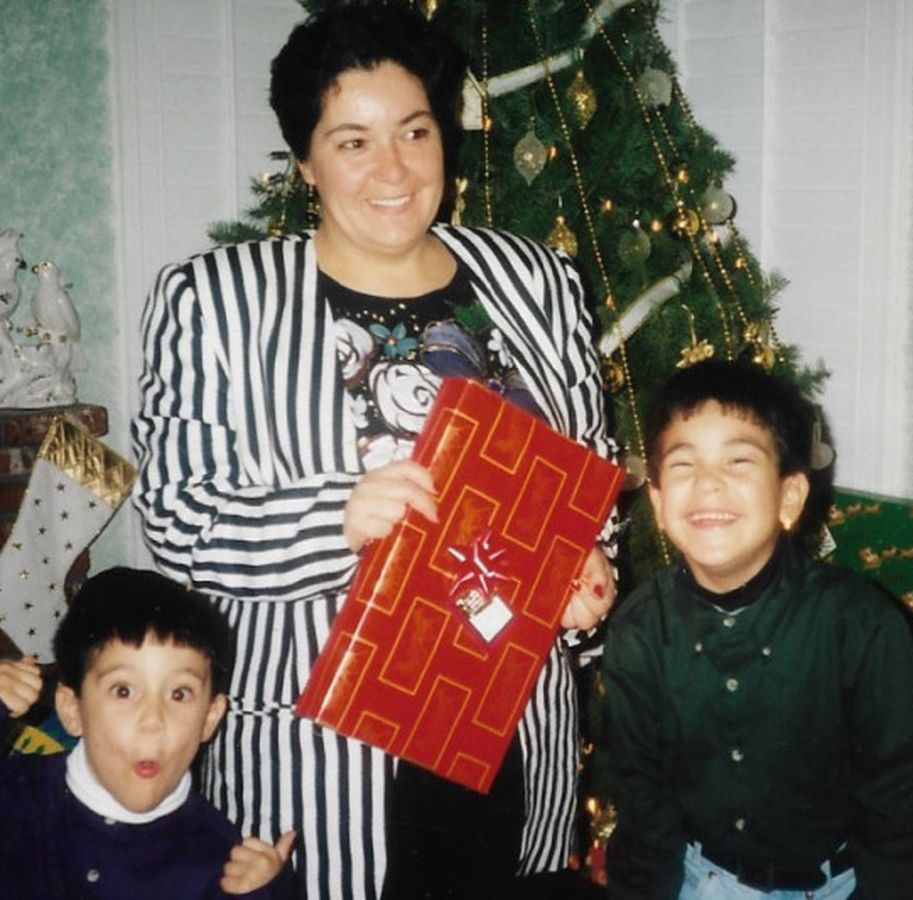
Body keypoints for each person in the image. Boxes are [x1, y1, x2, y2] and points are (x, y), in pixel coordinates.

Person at [130, 5, 616, 898]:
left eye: (415, 131)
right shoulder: (217, 299)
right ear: (306, 162)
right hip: (323, 746)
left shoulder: (536, 281)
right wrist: (338, 516)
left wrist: (585, 562)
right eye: (352, 142)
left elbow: (585, 463)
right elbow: (178, 521)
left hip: (513, 720)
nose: (393, 170)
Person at [602, 359, 913, 900]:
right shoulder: (639, 632)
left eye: (738, 461)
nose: (708, 484)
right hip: (702, 880)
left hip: (836, 886)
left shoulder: (859, 624)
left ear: (789, 498)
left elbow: (901, 802)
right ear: (659, 504)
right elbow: (644, 810)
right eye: (684, 465)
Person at [0, 566, 294, 898]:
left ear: (210, 718)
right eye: (124, 691)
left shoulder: (218, 857)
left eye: (179, 694)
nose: (153, 721)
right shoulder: (19, 795)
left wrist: (264, 892)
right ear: (72, 709)